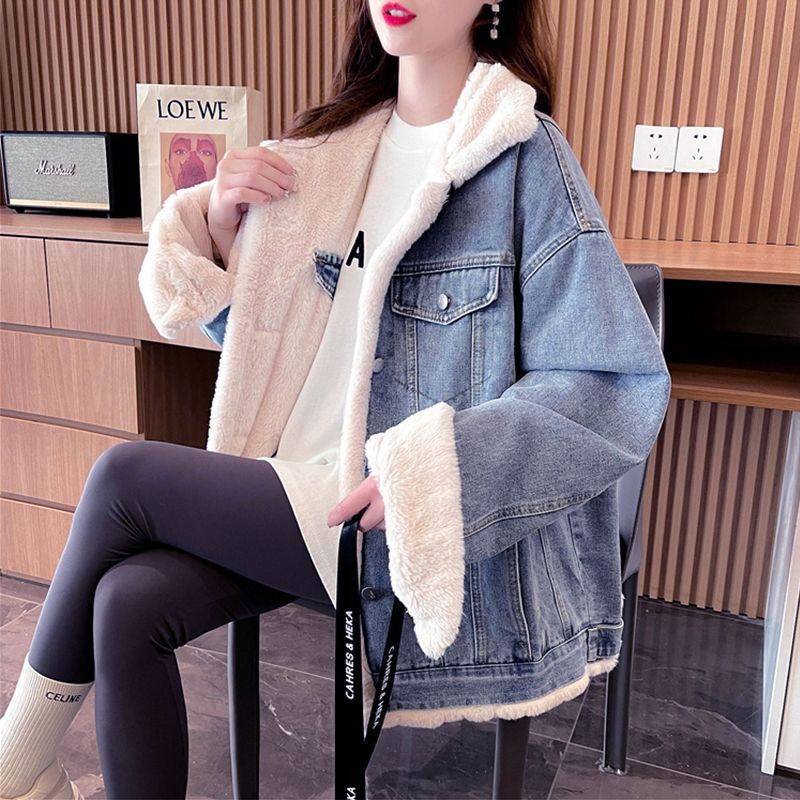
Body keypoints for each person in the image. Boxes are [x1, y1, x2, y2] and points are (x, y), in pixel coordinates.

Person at [0, 1, 672, 799]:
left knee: (123, 475)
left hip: (400, 523)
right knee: (125, 602)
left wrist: (434, 473)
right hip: (290, 485)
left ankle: (15, 764)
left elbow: (607, 383)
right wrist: (220, 229)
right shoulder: (324, 155)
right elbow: (274, 352)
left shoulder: (523, 159)